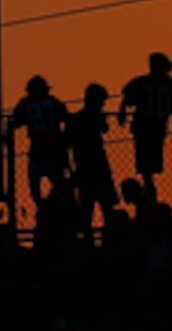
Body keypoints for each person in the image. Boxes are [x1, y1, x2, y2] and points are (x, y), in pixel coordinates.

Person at [117, 51, 172, 187]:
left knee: (145, 167)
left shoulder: (140, 82)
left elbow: (126, 99)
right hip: (157, 128)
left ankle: (148, 187)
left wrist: (122, 113)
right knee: (152, 165)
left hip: (141, 128)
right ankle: (150, 190)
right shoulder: (168, 83)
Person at [67, 81, 120, 236]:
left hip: (84, 168)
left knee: (87, 209)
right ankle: (107, 238)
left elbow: (66, 144)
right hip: (97, 168)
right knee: (103, 207)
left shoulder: (75, 119)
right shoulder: (93, 117)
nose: (103, 104)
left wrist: (71, 170)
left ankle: (89, 240)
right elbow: (105, 128)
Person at [7, 74, 71, 204]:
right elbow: (66, 117)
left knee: (35, 182)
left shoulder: (25, 104)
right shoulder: (54, 102)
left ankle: (42, 206)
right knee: (58, 181)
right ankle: (54, 205)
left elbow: (17, 120)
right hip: (55, 148)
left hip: (38, 149)